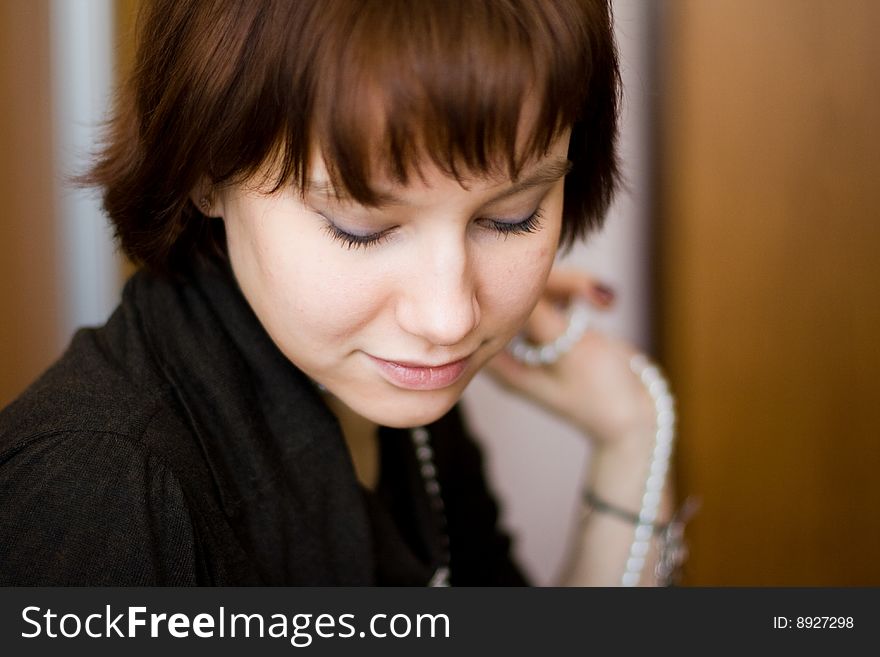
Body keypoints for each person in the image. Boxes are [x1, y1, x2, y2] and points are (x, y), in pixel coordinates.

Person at [0, 0, 676, 585]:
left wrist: (631, 438)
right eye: (362, 227)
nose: (449, 317)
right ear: (207, 170)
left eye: (509, 217)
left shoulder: (391, 384)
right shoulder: (96, 493)